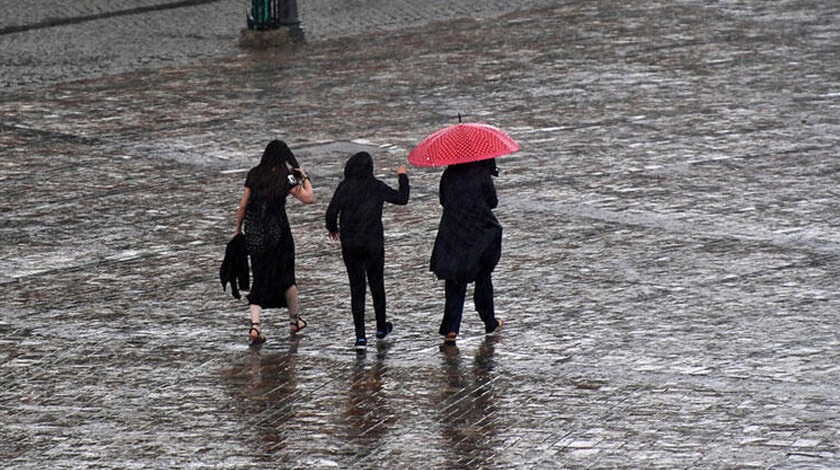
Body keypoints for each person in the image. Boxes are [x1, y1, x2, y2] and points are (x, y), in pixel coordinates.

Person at [325, 152, 410, 350]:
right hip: (373, 243)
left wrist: (333, 228)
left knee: (357, 289)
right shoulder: (376, 186)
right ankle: (381, 327)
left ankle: (360, 337)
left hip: (351, 244)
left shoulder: (344, 187)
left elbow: (331, 213)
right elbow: (402, 198)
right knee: (377, 284)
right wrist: (402, 176)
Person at [234, 140, 314, 344]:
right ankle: (295, 321)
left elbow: (243, 206)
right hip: (279, 234)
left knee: (259, 279)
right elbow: (308, 198)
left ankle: (255, 326)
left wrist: (238, 230)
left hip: (255, 233)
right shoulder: (285, 177)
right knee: (287, 276)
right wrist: (303, 176)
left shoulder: (254, 174)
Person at [430, 158, 504, 345]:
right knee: (483, 277)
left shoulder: (449, 174)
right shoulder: (481, 174)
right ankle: (489, 322)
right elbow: (492, 202)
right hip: (479, 233)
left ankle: (451, 328)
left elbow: (444, 201)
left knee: (455, 280)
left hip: (454, 231)